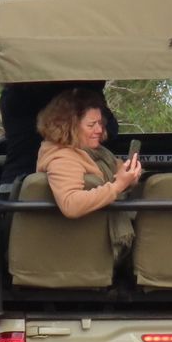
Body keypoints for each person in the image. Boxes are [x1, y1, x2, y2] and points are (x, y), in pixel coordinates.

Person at [34, 88, 143, 257]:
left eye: (100, 123)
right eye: (91, 125)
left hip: (98, 240)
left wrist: (130, 176)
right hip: (84, 249)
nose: (99, 130)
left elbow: (118, 172)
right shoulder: (62, 158)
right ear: (69, 126)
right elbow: (71, 204)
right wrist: (117, 186)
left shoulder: (99, 153)